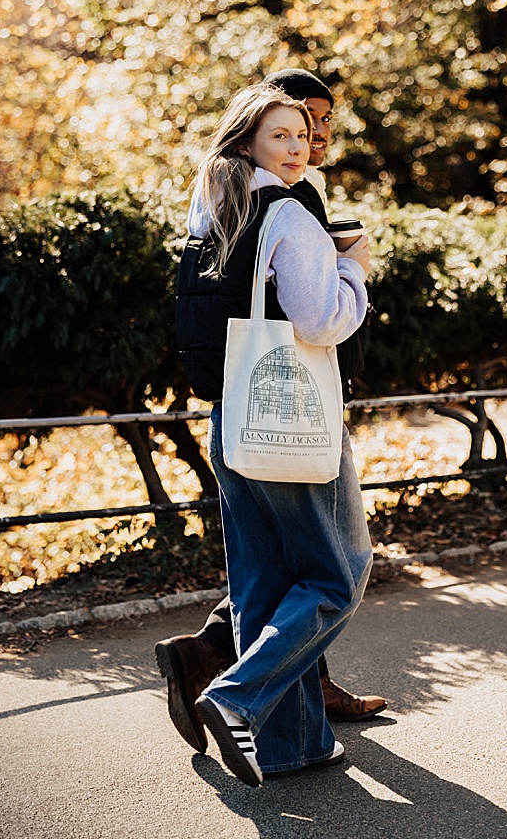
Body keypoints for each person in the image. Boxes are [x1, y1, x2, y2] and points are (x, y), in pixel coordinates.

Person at [157, 68, 386, 757]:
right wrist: (354, 269)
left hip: (233, 413)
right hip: (291, 417)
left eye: (303, 134)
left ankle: (291, 748)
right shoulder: (289, 211)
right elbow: (320, 323)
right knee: (337, 572)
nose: (298, 146)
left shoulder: (214, 210)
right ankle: (233, 695)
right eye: (280, 135)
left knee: (259, 585)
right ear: (250, 142)